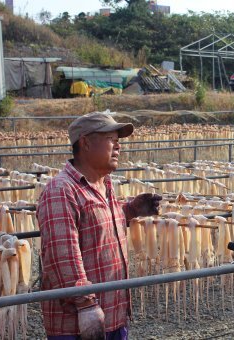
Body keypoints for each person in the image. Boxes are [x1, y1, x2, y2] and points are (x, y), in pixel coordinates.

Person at [37, 111, 162, 340]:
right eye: (111, 140)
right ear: (85, 143)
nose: (118, 147)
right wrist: (86, 305)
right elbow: (62, 255)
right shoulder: (61, 190)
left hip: (113, 315)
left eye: (118, 141)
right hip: (78, 325)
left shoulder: (104, 184)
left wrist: (131, 210)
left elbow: (96, 228)